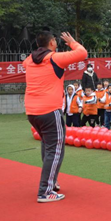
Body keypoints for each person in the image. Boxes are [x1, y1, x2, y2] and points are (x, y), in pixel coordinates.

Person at [24, 31, 87, 203]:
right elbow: (82, 53)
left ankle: (51, 182)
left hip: (31, 112)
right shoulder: (54, 58)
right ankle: (45, 191)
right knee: (55, 150)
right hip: (50, 110)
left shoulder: (29, 60)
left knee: (48, 146)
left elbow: (26, 65)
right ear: (52, 42)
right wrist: (73, 42)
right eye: (55, 41)